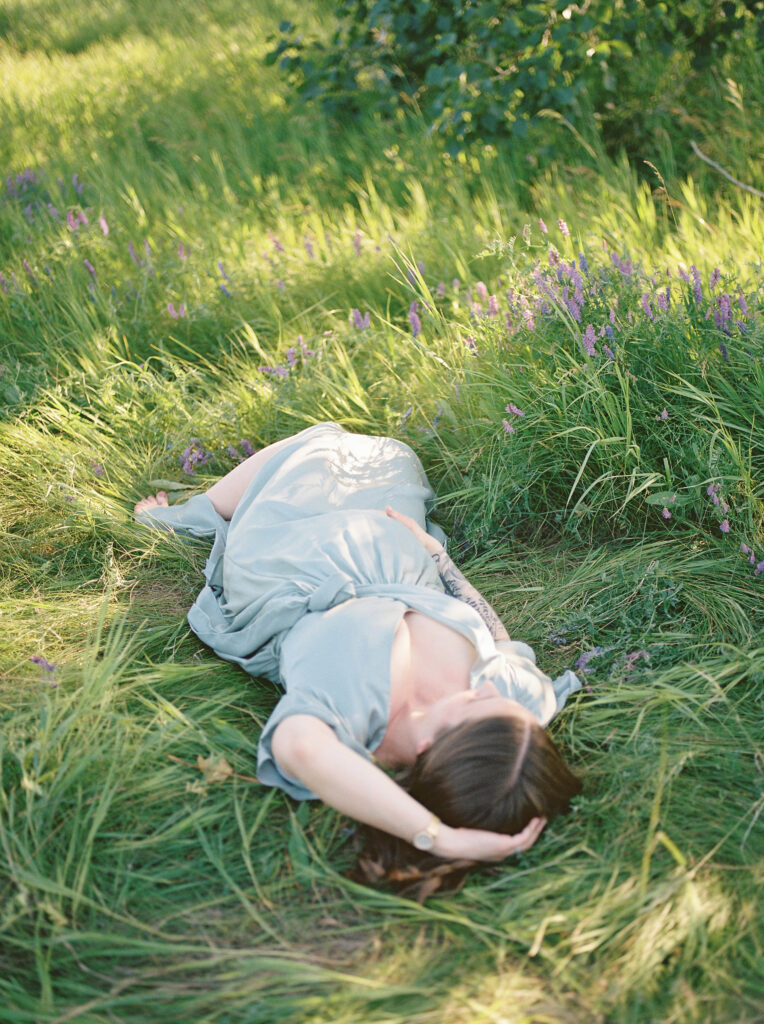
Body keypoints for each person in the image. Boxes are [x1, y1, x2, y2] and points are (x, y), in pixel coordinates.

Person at [134, 422, 582, 873]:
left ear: (429, 742)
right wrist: (439, 559)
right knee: (389, 453)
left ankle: (200, 510)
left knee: (321, 444)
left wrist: (438, 836)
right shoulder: (514, 709)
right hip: (397, 549)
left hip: (302, 561)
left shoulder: (357, 689)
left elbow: (301, 747)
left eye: (475, 704)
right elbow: (501, 643)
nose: (489, 687)